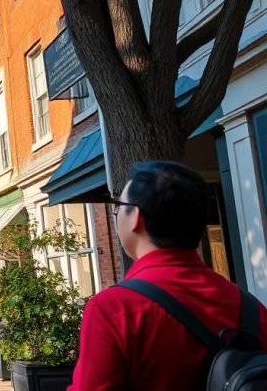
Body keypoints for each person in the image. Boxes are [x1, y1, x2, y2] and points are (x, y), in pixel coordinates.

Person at [70, 161, 267, 391]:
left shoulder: (113, 309)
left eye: (118, 207)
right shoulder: (251, 308)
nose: (116, 215)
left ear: (135, 217)